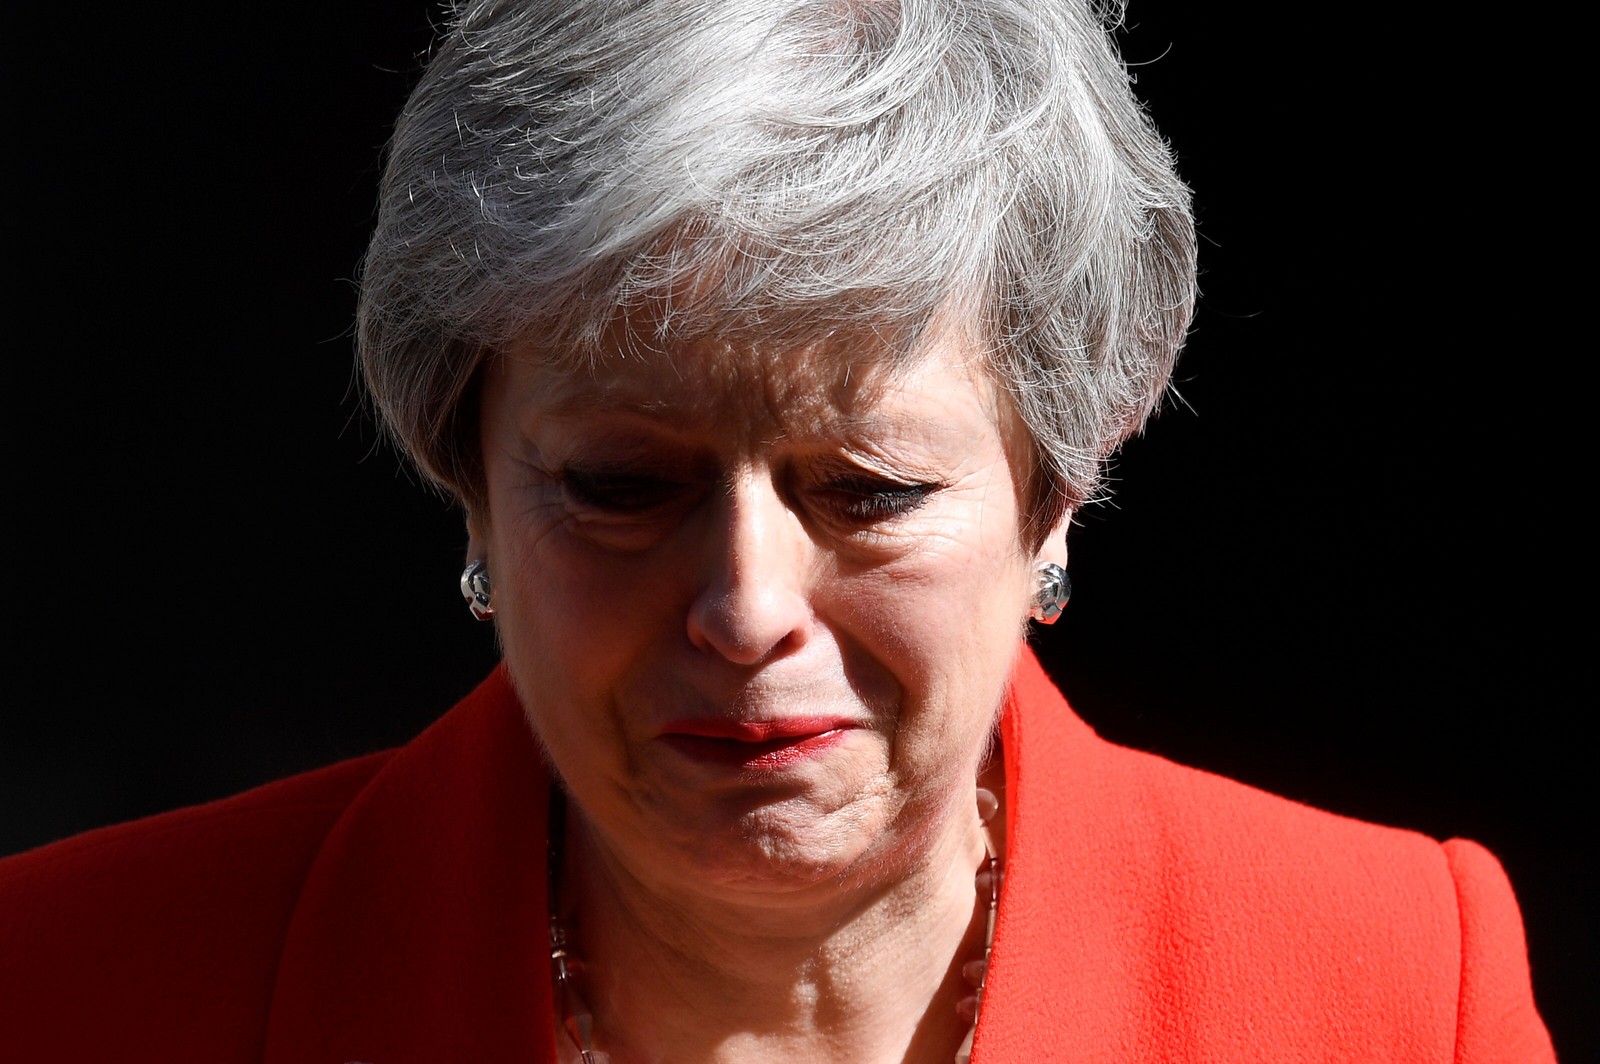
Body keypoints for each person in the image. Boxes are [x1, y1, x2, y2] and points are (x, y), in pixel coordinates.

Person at [0, 1, 1556, 1061]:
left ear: (1057, 485)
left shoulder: (1397, 983)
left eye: (865, 490)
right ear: (468, 476)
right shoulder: (72, 984)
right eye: (623, 486)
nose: (746, 610)